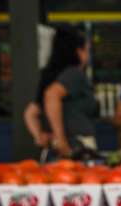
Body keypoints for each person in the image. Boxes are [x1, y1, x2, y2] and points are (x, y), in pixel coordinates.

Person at [40, 26, 98, 158]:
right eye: (88, 50)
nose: (89, 55)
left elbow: (32, 111)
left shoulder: (51, 75)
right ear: (79, 52)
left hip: (65, 144)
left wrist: (41, 134)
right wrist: (61, 140)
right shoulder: (74, 74)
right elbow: (51, 95)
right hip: (76, 147)